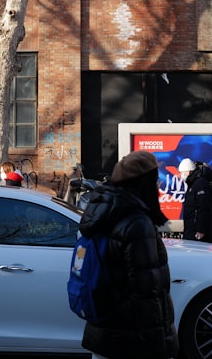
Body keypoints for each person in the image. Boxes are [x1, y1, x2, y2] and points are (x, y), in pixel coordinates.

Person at [77, 150, 179, 359]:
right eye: (154, 178)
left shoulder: (102, 211)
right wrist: (159, 345)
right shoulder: (137, 223)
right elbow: (146, 292)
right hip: (132, 338)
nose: (158, 185)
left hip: (104, 329)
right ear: (144, 182)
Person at [179, 158, 212, 243]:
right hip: (192, 229)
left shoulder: (200, 183)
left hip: (198, 232)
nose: (181, 175)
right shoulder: (193, 184)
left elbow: (204, 207)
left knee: (199, 254)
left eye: (183, 172)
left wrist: (201, 229)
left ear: (189, 171)